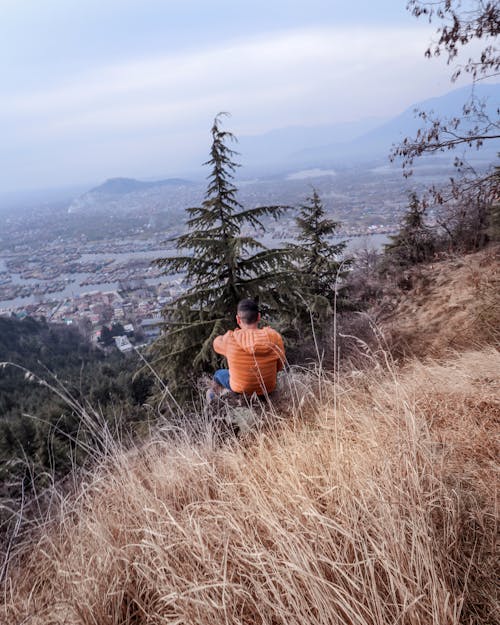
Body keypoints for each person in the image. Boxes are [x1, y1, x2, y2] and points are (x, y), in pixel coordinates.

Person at [209, 298, 285, 398]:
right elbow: (280, 366)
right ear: (258, 317)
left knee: (219, 374)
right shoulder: (274, 337)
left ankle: (213, 402)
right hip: (268, 388)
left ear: (238, 319)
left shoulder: (231, 339)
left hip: (240, 389)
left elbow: (215, 344)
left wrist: (225, 337)